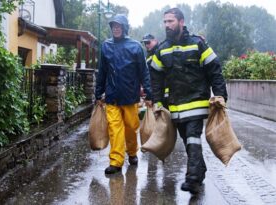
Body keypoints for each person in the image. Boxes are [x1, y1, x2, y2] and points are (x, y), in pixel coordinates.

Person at [150, 8, 228, 194]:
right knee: (188, 141)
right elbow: (156, 78)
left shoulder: (197, 44)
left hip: (196, 104)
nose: (167, 25)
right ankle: (200, 170)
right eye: (165, 22)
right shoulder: (161, 49)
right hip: (175, 107)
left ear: (181, 22)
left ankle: (192, 178)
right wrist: (157, 101)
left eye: (171, 21)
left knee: (193, 137)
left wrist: (220, 95)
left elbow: (214, 69)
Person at [95, 14, 153, 175]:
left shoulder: (135, 47)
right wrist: (98, 92)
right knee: (115, 129)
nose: (116, 28)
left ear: (125, 27)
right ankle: (116, 161)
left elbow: (144, 72)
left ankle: (132, 152)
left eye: (119, 25)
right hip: (112, 97)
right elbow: (102, 71)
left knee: (130, 128)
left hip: (130, 97)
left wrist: (148, 93)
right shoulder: (106, 46)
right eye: (113, 26)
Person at [141, 34, 169, 108]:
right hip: (155, 93)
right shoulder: (148, 57)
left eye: (148, 42)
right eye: (145, 43)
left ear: (155, 41)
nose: (146, 45)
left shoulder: (161, 52)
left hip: (165, 92)